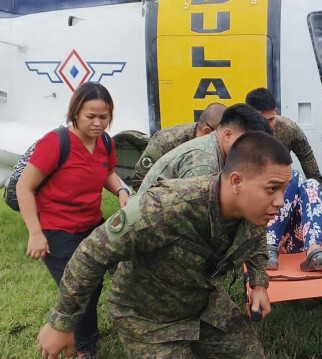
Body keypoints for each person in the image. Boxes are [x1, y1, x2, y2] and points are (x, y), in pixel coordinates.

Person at [36, 132, 293, 359]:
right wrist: (61, 322)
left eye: (284, 189)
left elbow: (256, 238)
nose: (280, 201)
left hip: (204, 304)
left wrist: (259, 282)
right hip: (148, 316)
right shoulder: (167, 207)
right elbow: (92, 252)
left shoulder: (256, 210)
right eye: (272, 189)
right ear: (237, 181)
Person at [16, 82, 129, 359]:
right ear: (76, 112)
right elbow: (24, 187)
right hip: (57, 230)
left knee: (120, 269)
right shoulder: (56, 143)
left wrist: (122, 190)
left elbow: (106, 172)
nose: (98, 123)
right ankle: (84, 347)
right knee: (81, 290)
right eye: (91, 116)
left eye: (104, 117)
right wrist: (35, 233)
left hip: (91, 223)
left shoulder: (104, 142)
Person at [137, 104, 270, 194]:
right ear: (228, 135)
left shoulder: (217, 149)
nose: (251, 151)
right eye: (247, 142)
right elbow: (194, 216)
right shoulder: (203, 161)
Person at [266, 142, 322, 271]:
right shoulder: (265, 194)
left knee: (312, 183)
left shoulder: (311, 194)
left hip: (298, 243)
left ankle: (314, 252)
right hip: (267, 236)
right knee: (295, 176)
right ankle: (268, 248)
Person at [130, 102, 227, 190]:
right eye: (224, 135)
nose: (227, 139)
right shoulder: (165, 141)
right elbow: (138, 180)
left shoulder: (224, 146)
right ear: (207, 132)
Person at [245, 88, 322, 184]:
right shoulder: (239, 131)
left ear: (275, 111)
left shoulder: (289, 129)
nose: (267, 125)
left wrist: (317, 186)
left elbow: (306, 156)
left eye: (271, 119)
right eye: (262, 120)